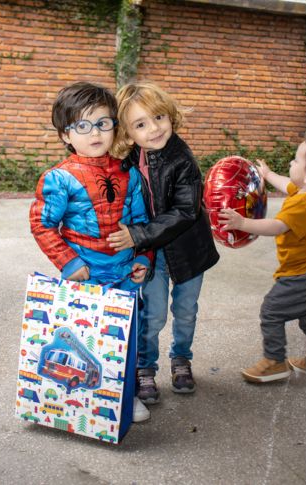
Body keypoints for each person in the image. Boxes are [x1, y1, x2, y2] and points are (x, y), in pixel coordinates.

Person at [29, 81, 153, 421]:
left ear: (115, 126)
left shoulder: (130, 174)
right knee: (83, 342)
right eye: (82, 125)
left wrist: (144, 257)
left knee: (127, 341)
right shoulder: (59, 178)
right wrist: (69, 262)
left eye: (102, 123)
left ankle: (125, 397)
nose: (94, 132)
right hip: (85, 275)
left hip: (127, 274)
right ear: (66, 135)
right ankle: (82, 400)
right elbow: (42, 224)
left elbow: (142, 221)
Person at [107, 81, 219, 406]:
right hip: (151, 255)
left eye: (159, 117)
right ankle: (145, 367)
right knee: (152, 314)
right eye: (140, 124)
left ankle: (181, 358)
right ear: (127, 132)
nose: (154, 128)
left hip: (188, 251)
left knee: (185, 311)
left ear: (170, 115)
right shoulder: (127, 161)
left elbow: (185, 211)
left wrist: (138, 235)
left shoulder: (182, 159)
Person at [217, 137, 306, 382]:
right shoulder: (301, 190)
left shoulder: (302, 203)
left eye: (297, 160)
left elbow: (276, 226)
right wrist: (267, 174)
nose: (291, 161)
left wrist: (242, 223)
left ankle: (275, 361)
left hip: (299, 276)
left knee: (271, 311)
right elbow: (288, 182)